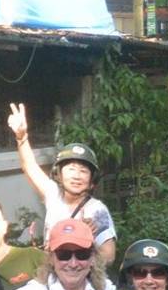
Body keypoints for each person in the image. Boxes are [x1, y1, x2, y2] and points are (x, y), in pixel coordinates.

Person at [7, 104, 116, 265]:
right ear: (59, 174)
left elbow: (109, 257)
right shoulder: (54, 195)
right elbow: (29, 167)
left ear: (92, 181)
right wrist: (21, 137)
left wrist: (87, 240)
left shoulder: (96, 210)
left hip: (82, 279)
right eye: (71, 169)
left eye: (83, 171)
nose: (77, 176)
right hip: (53, 275)